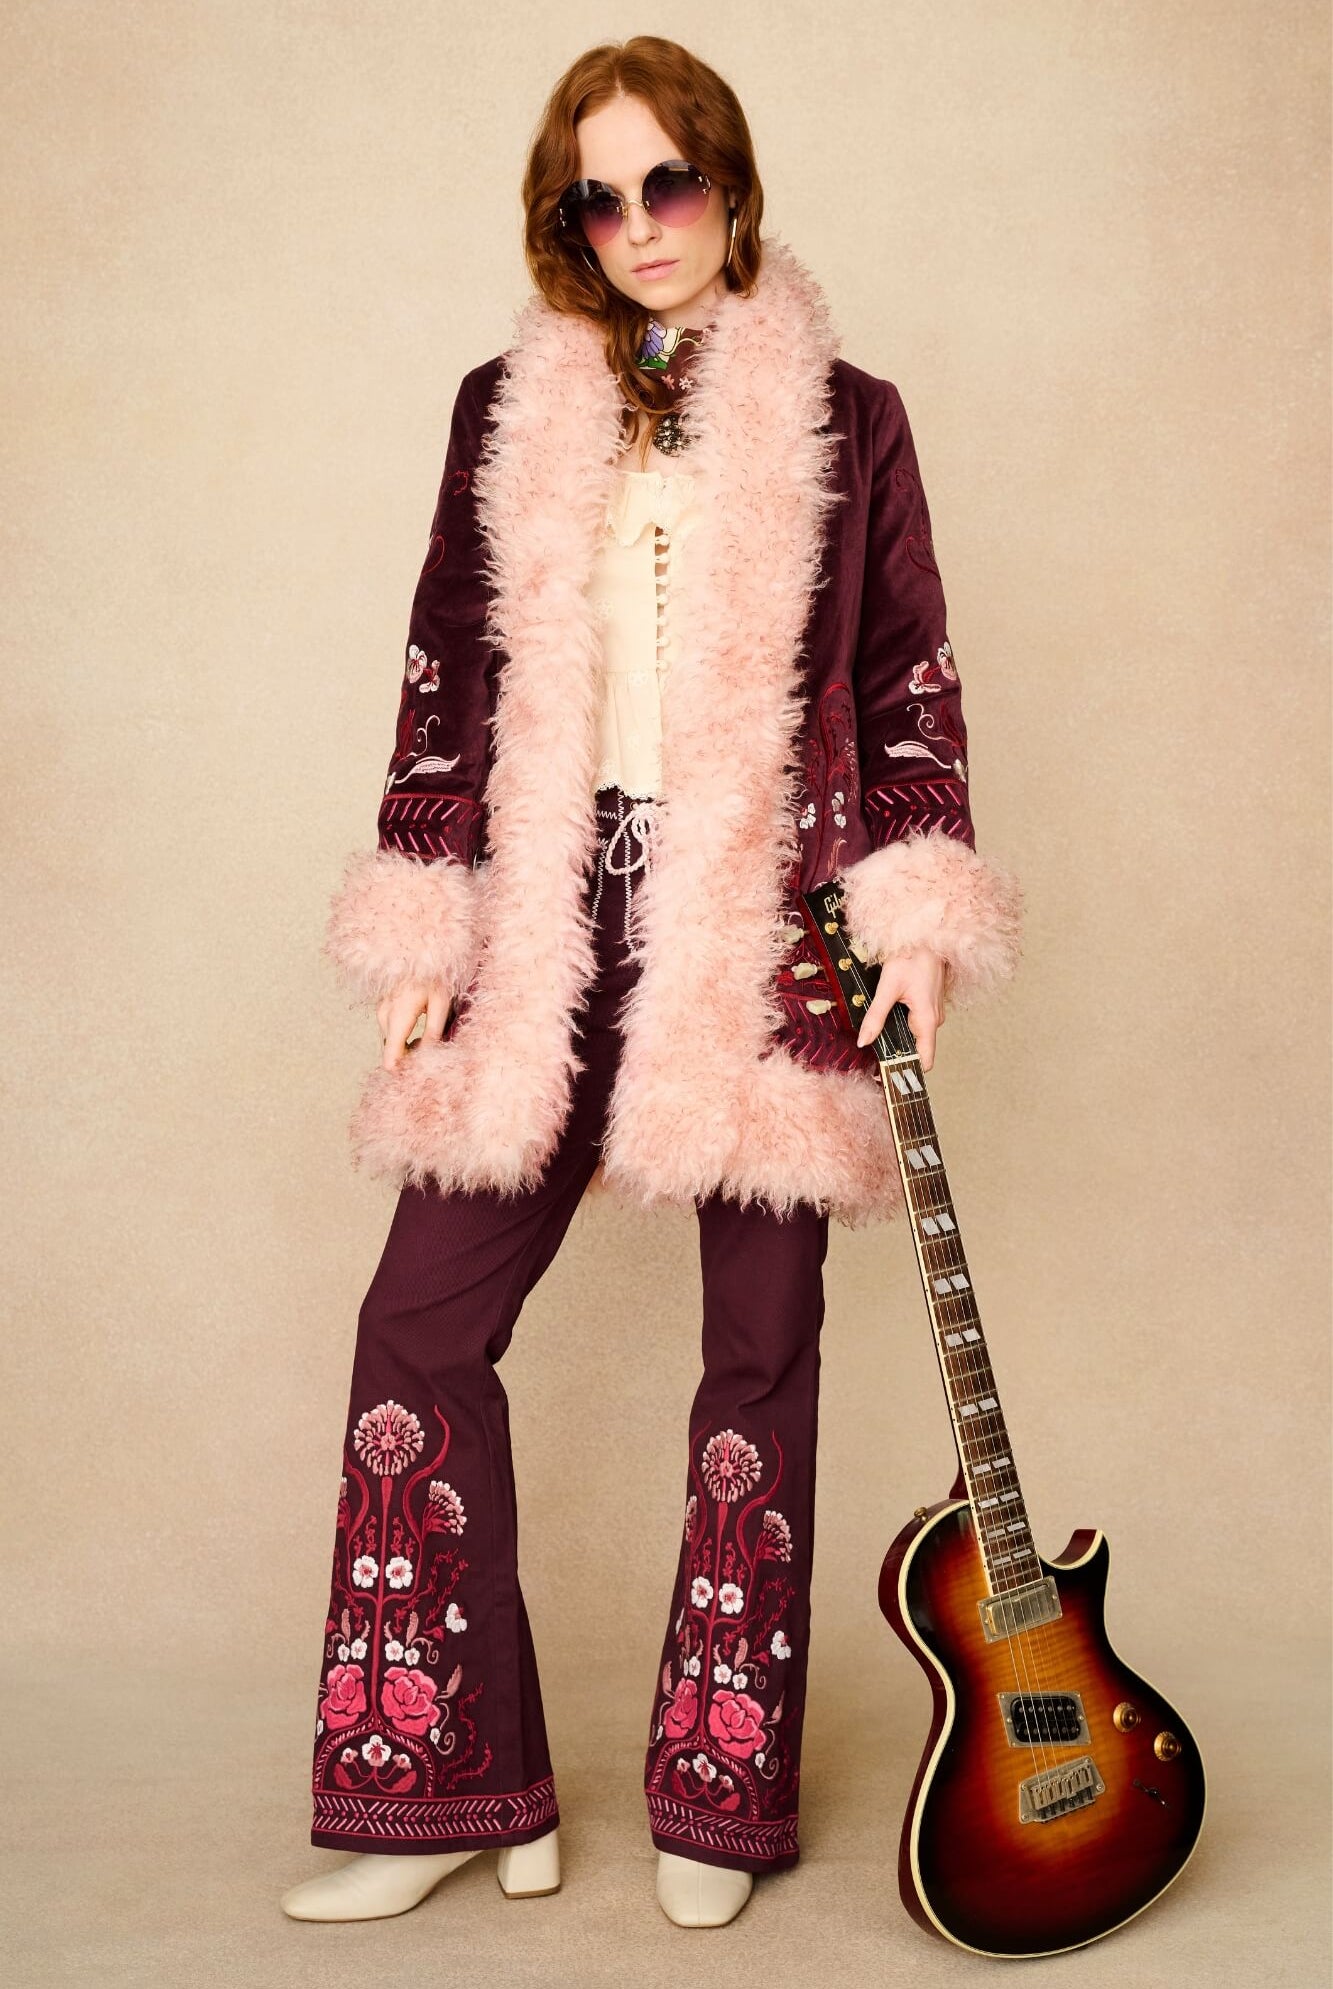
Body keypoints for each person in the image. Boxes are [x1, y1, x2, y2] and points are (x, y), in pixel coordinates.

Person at [280, 35, 1023, 1933]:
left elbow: (908, 681)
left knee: (755, 1355)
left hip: (767, 923)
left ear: (727, 184)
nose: (636, 227)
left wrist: (915, 921)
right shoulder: (502, 408)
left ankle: (719, 1786)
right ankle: (449, 1785)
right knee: (419, 1330)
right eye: (594, 198)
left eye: (665, 184)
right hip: (544, 911)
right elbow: (444, 678)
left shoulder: (850, 419)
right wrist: (425, 929)